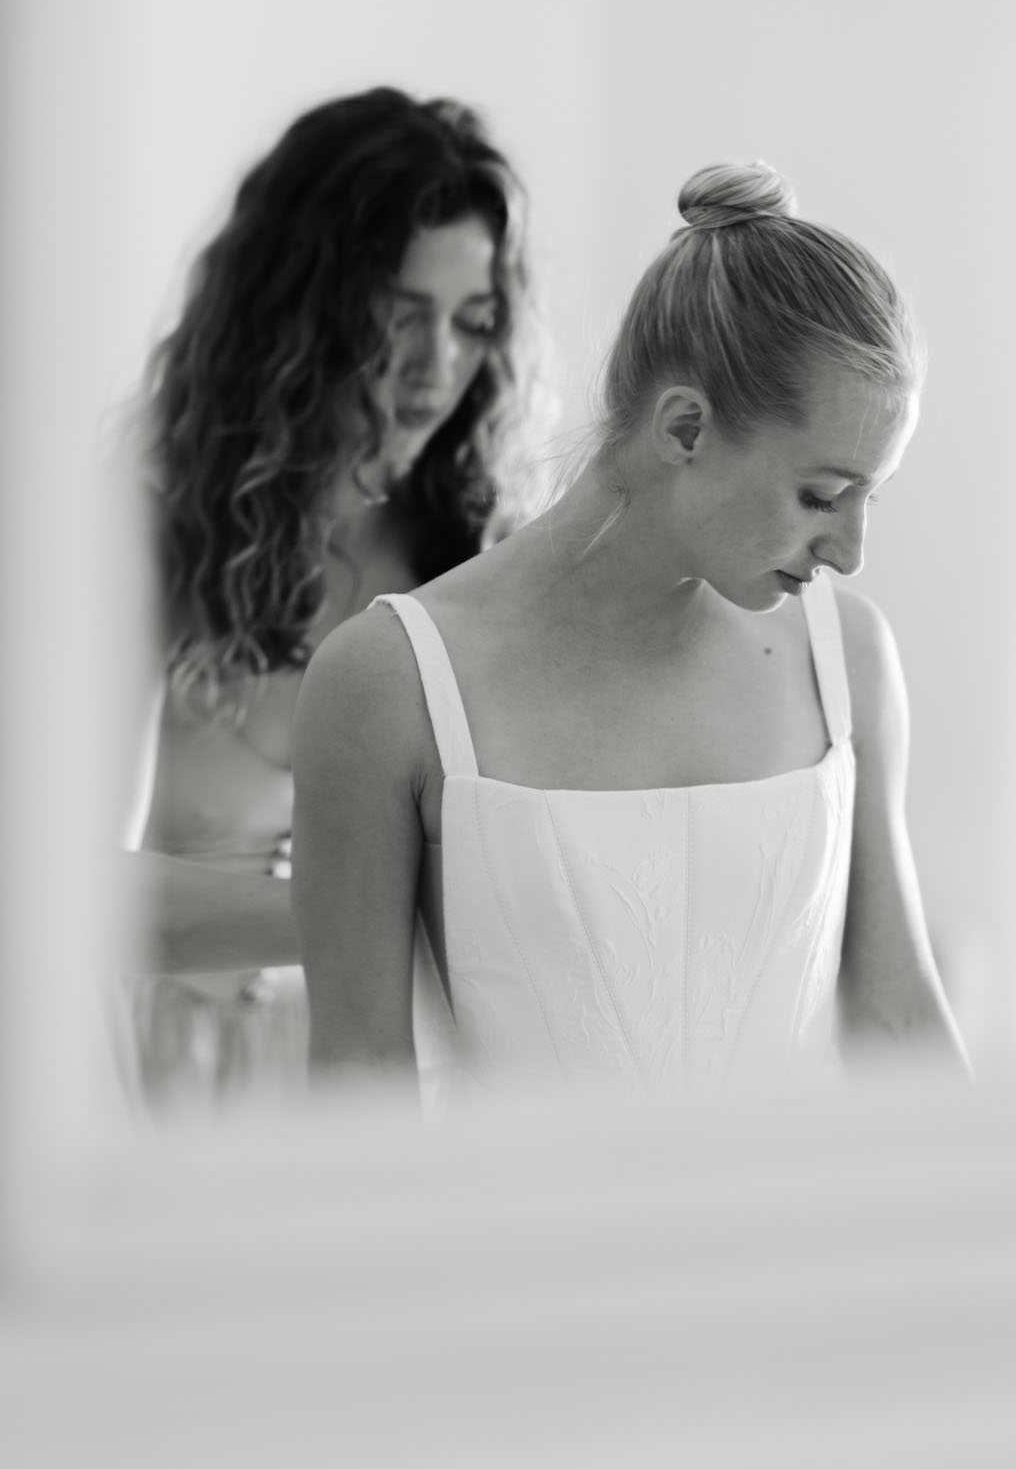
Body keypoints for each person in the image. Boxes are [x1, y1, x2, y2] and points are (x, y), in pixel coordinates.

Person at [292, 160, 971, 1099]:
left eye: (870, 499)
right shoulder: (387, 682)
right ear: (685, 427)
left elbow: (901, 1021)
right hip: (520, 1246)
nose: (850, 551)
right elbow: (357, 1094)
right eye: (821, 495)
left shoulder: (847, 658)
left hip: (808, 1242)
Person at [118, 87, 537, 1109]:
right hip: (184, 1088)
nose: (433, 369)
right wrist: (368, 907)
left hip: (406, 1089)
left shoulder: (485, 562)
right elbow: (68, 894)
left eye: (473, 322)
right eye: (397, 318)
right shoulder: (141, 537)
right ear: (296, 317)